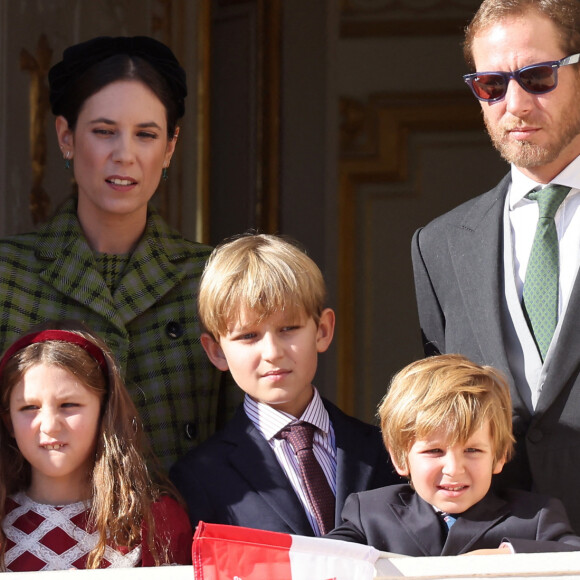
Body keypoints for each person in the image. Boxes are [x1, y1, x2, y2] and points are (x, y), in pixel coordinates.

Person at [0, 36, 221, 471]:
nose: (125, 156)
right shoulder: (9, 275)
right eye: (104, 132)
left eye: (146, 135)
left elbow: (246, 441)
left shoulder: (211, 278)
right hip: (33, 533)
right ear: (66, 136)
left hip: (181, 531)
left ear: (170, 147)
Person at [411, 0, 580, 531]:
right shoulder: (436, 246)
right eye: (492, 85)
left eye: (537, 76)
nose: (516, 103)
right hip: (496, 550)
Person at [170, 233, 401, 536]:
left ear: (322, 330)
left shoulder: (387, 450)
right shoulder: (199, 476)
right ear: (216, 351)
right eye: (248, 336)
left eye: (288, 329)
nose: (273, 352)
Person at [325, 354, 580, 555]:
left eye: (472, 450)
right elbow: (317, 560)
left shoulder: (536, 517)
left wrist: (508, 555)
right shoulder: (370, 514)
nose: (454, 468)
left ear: (500, 455)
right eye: (434, 451)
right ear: (401, 457)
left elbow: (573, 556)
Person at [0, 322, 192, 571]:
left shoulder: (154, 521)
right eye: (29, 408)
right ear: (9, 422)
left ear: (104, 413)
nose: (49, 426)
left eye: (69, 405)